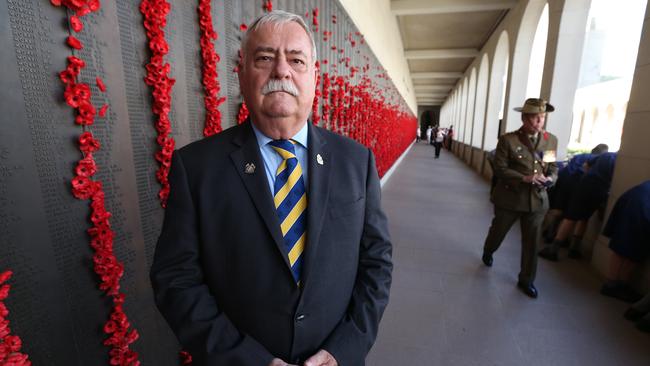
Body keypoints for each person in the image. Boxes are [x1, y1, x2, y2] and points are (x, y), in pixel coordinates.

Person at [150, 11, 393, 366]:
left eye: (296, 60)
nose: (281, 71)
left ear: (314, 76)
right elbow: (176, 279)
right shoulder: (196, 168)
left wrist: (344, 349)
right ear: (242, 73)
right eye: (264, 58)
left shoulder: (357, 162)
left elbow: (377, 263)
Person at [481, 98, 558, 298]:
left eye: (542, 117)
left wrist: (550, 178)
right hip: (511, 198)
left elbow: (551, 166)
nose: (540, 121)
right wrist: (525, 177)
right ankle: (489, 250)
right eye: (535, 117)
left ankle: (527, 279)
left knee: (532, 242)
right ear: (524, 118)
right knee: (499, 231)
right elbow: (500, 168)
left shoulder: (550, 140)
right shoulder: (508, 140)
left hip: (537, 200)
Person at [538, 151, 617, 261]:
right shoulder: (620, 161)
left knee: (569, 216)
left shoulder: (605, 155)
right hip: (601, 190)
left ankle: (553, 246)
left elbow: (585, 166)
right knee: (583, 218)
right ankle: (574, 249)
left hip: (583, 184)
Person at [599, 180, 650, 303]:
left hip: (632, 202)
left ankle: (612, 284)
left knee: (622, 248)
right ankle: (619, 286)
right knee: (634, 250)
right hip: (642, 208)